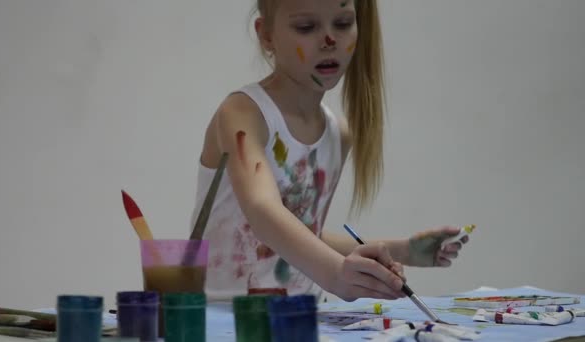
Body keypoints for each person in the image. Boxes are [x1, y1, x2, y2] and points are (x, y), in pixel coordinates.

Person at [190, 0, 468, 302]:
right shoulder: (242, 114)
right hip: (217, 319)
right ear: (266, 35)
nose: (329, 40)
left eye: (343, 23)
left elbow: (303, 237)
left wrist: (404, 251)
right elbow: (262, 211)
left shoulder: (338, 135)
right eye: (306, 27)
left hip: (300, 318)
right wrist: (337, 274)